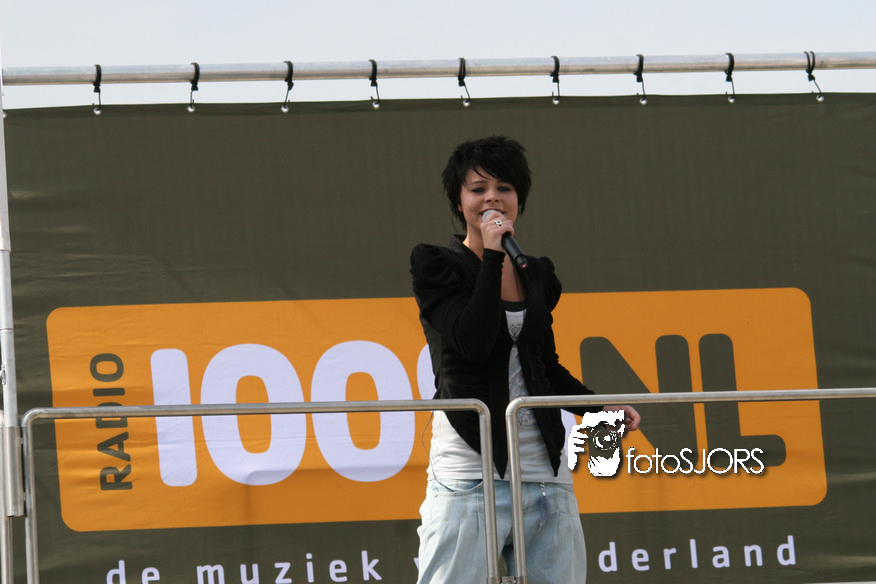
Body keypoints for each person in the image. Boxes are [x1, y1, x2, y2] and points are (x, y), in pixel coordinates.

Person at [410, 135, 641, 584]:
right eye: (478, 189)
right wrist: (493, 255)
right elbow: (472, 342)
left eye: (504, 188)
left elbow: (544, 365)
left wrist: (599, 407)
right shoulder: (437, 265)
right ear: (459, 202)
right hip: (472, 470)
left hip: (545, 472)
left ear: (519, 200)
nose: (492, 198)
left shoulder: (536, 273)